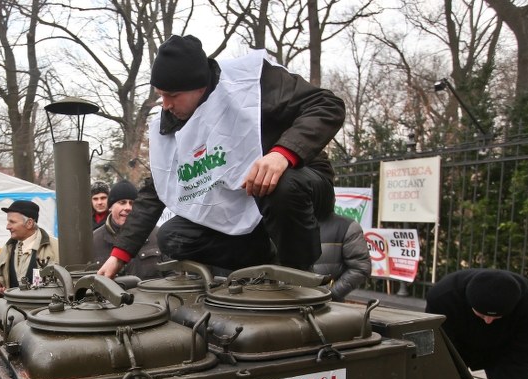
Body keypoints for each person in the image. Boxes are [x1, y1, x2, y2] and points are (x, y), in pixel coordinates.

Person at [98, 34, 345, 279]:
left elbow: (327, 105)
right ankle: (267, 260)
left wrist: (282, 154)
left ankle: (299, 275)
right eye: (161, 95)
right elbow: (157, 190)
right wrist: (119, 255)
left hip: (301, 187)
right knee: (172, 236)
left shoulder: (252, 83)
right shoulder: (173, 124)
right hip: (239, 207)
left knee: (280, 185)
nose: (166, 105)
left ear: (199, 86)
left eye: (172, 95)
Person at [92, 180, 163, 280]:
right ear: (110, 207)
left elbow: (173, 275)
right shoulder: (93, 240)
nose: (128, 208)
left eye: (132, 203)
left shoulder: (157, 235)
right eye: (122, 203)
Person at [0, 201, 59, 291]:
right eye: (8, 221)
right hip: (12, 301)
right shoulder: (7, 248)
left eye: (12, 222)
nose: (7, 227)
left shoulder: (56, 247)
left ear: (29, 223)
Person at [311, 200, 371, 301]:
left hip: (327, 305)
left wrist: (331, 294)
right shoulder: (291, 223)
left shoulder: (347, 227)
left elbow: (361, 267)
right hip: (290, 303)